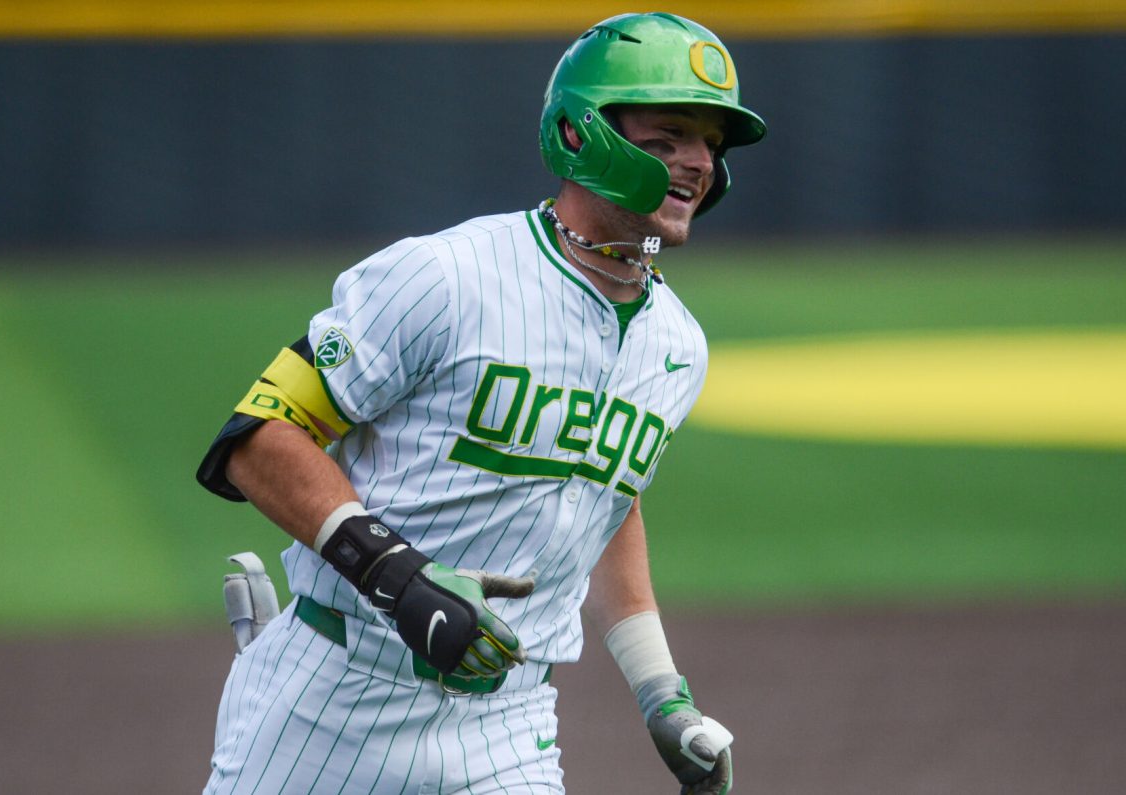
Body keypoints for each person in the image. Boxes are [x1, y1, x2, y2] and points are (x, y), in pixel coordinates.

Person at [196, 11, 765, 794]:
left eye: (711, 143)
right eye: (667, 137)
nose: (698, 163)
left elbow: (603, 502)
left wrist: (662, 692)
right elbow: (258, 439)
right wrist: (398, 577)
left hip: (507, 726)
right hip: (330, 701)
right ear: (579, 135)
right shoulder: (446, 277)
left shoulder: (678, 345)